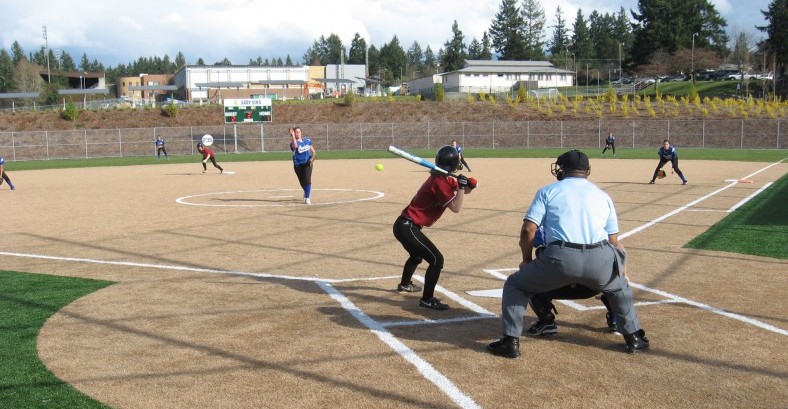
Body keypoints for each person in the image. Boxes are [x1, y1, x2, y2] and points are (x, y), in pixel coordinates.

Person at [487, 149, 648, 358]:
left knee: (516, 284)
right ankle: (633, 336)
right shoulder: (602, 195)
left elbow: (529, 229)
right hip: (598, 263)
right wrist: (620, 272)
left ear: (562, 169)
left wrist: (526, 261)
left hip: (559, 261)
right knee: (619, 286)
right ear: (587, 171)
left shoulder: (548, 191)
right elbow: (614, 242)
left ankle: (512, 340)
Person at [393, 146, 476, 310]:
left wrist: (468, 186)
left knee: (417, 256)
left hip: (404, 225)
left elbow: (462, 192)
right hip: (408, 227)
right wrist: (460, 187)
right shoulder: (440, 183)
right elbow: (456, 207)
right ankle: (427, 299)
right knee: (436, 260)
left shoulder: (443, 179)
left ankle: (405, 284)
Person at [529, 225, 621, 336]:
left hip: (558, 285)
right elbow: (616, 247)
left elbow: (530, 236)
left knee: (529, 278)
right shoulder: (596, 228)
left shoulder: (549, 227)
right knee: (612, 272)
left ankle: (547, 321)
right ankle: (616, 319)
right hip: (593, 285)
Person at [289, 127, 316, 204]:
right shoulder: (292, 143)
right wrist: (293, 136)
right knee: (302, 182)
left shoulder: (307, 140)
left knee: (307, 180)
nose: (298, 133)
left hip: (307, 163)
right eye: (296, 132)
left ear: (301, 132)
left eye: (299, 132)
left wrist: (312, 158)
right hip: (298, 165)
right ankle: (306, 191)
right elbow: (295, 146)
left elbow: (313, 152)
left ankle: (307, 198)